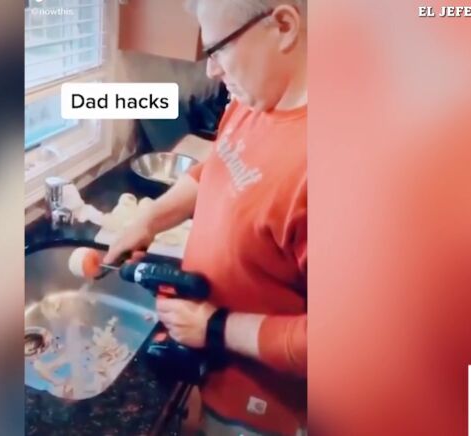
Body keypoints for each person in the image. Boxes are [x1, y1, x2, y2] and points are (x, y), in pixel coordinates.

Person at [104, 1, 308, 434]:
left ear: (283, 25)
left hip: (264, 413)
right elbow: (218, 165)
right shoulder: (254, 98)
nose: (211, 70)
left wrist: (215, 327)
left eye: (218, 48)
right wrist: (149, 219)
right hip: (216, 378)